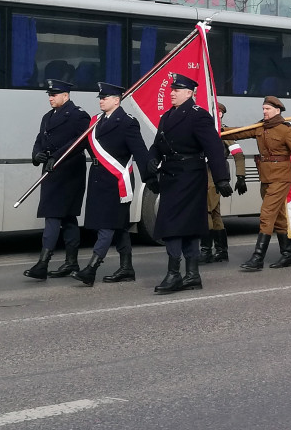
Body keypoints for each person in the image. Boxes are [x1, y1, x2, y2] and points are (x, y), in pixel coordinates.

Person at [148, 74, 231, 294]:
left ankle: (176, 274)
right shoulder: (166, 116)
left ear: (189, 93)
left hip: (189, 176)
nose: (172, 93)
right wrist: (152, 158)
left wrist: (222, 178)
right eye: (171, 89)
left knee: (176, 226)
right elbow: (158, 143)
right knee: (181, 226)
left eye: (177, 90)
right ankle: (192, 275)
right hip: (169, 175)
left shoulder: (198, 116)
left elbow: (213, 147)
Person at [223, 96, 291, 271]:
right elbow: (240, 132)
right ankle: (287, 255)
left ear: (277, 110)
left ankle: (258, 257)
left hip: (281, 178)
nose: (264, 112)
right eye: (263, 109)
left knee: (267, 214)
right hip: (265, 177)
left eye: (267, 109)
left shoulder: (286, 130)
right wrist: (219, 130)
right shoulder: (260, 128)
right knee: (279, 217)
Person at [69, 83, 153, 286]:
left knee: (107, 226)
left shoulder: (127, 122)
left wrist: (150, 177)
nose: (101, 100)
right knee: (120, 226)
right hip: (99, 179)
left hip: (117, 181)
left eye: (105, 97)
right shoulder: (95, 121)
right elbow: (80, 143)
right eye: (100, 97)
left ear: (117, 99)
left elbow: (140, 151)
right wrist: (56, 157)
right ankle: (127, 268)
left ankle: (91, 269)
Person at [24, 78, 90, 281]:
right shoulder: (47, 116)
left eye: (54, 95)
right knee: (68, 219)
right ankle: (71, 263)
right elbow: (39, 140)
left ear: (66, 96)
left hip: (69, 172)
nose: (51, 98)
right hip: (51, 171)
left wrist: (57, 156)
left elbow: (81, 142)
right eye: (49, 95)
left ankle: (43, 264)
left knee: (53, 215)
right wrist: (37, 155)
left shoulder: (78, 116)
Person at [200, 103, 247, 264]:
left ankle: (206, 251)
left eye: (218, 112)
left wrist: (241, 176)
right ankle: (221, 251)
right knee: (215, 213)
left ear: (220, 115)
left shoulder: (225, 132)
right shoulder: (202, 130)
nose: (216, 114)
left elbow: (238, 155)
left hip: (215, 176)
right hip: (201, 174)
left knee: (206, 210)